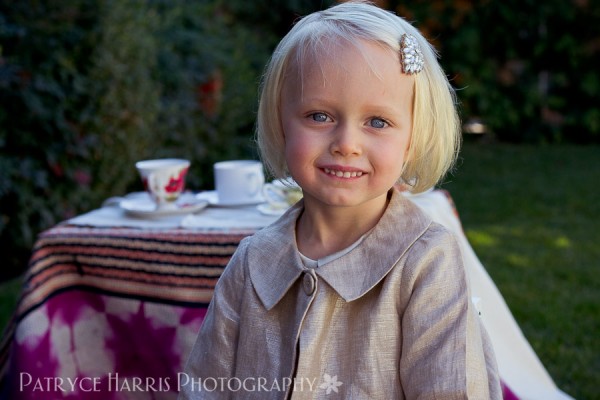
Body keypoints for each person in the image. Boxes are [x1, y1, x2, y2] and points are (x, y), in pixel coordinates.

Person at [179, 1, 501, 398]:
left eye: (378, 122)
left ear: (413, 140)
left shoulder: (426, 262)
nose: (347, 144)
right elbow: (206, 387)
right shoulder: (253, 261)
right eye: (319, 116)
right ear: (282, 123)